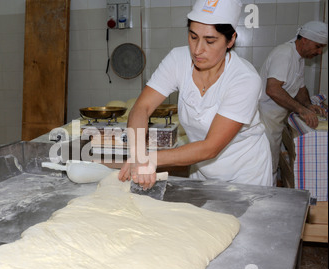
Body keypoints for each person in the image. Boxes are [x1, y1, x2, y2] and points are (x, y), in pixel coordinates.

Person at [118, 0, 273, 189]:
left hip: (245, 173)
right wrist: (137, 153)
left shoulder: (244, 79)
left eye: (210, 41)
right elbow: (142, 108)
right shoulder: (178, 59)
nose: (197, 50)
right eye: (193, 37)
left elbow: (211, 147)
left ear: (231, 40)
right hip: (201, 167)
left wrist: (149, 159)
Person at [258, 21, 328, 184]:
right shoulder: (285, 54)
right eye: (317, 47)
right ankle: (266, 203)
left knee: (272, 163)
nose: (319, 52)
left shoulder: (299, 58)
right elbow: (273, 89)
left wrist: (308, 105)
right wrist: (301, 110)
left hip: (274, 120)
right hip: (264, 120)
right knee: (266, 166)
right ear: (305, 39)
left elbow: (300, 88)